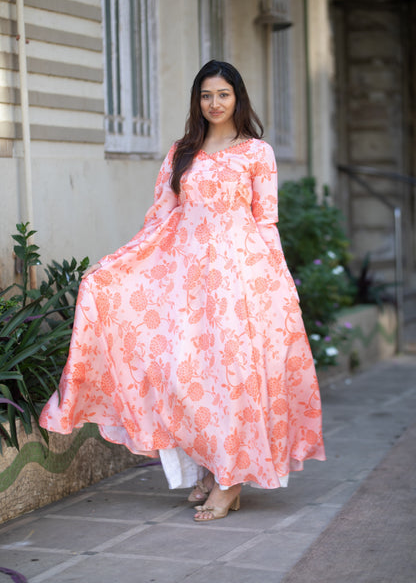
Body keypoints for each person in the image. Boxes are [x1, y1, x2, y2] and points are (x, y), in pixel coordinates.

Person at [39, 60, 325, 522]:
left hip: (241, 279)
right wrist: (116, 265)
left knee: (236, 376)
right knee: (189, 377)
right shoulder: (181, 153)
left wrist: (278, 280)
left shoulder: (256, 152)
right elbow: (160, 219)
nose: (214, 103)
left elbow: (266, 221)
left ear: (238, 98)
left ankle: (230, 482)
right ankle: (214, 468)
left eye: (223, 95)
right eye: (207, 95)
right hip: (188, 284)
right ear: (198, 100)